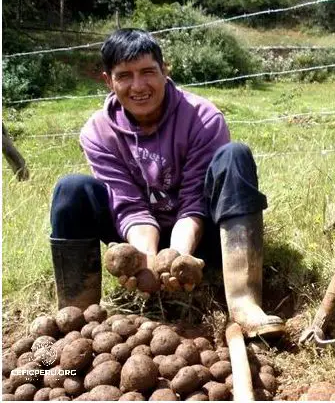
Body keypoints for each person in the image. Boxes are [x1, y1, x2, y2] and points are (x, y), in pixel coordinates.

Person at [49, 28, 284, 338]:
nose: (138, 86)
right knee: (71, 190)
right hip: (137, 239)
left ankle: (243, 303)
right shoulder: (97, 132)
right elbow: (128, 204)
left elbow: (193, 202)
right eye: (125, 76)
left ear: (165, 70)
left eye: (148, 72)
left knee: (234, 156)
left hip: (202, 237)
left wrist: (177, 259)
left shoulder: (203, 118)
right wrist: (146, 260)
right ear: (108, 81)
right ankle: (77, 318)